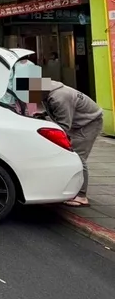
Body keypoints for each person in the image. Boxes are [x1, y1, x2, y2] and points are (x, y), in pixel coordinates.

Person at [37, 80, 103, 208]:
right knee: (67, 155)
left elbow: (64, 126)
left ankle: (81, 196)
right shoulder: (47, 91)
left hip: (88, 123)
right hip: (78, 122)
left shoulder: (59, 97)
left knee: (78, 157)